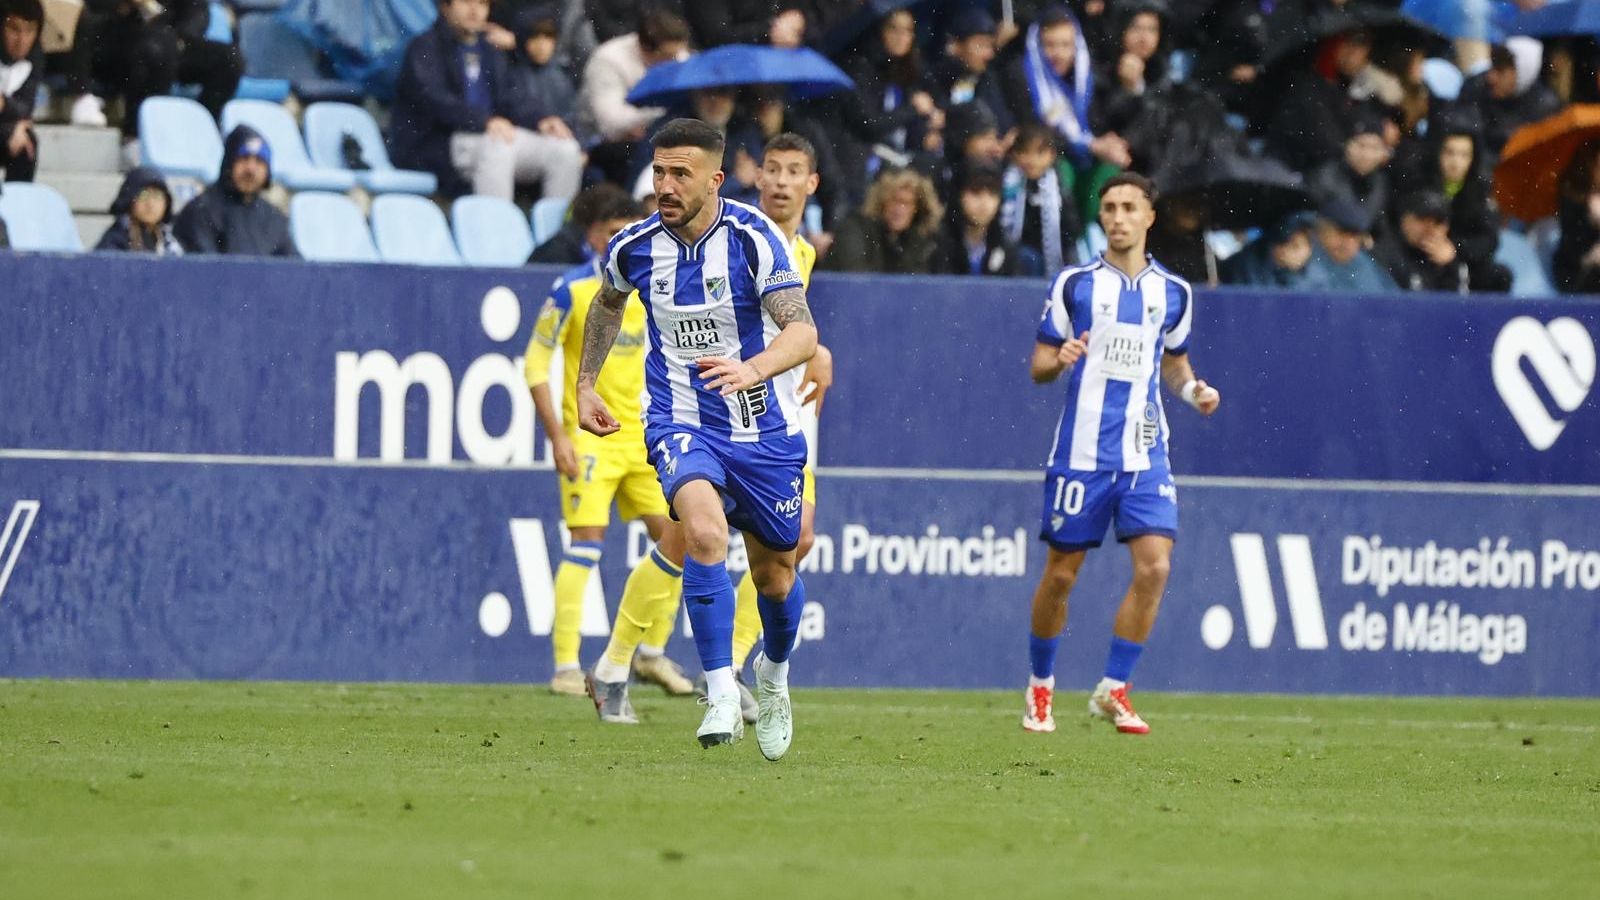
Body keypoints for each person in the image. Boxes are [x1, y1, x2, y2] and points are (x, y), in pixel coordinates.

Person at [576, 118, 817, 759]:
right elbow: (607, 303)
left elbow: (803, 334)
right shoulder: (634, 245)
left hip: (761, 426)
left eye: (681, 173)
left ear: (715, 179)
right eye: (658, 171)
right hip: (681, 421)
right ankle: (717, 692)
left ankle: (773, 676)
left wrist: (752, 368)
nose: (665, 185)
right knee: (703, 533)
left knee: (775, 577)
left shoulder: (754, 237)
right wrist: (586, 384)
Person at [1023, 171, 1220, 735]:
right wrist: (1059, 358)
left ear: (1149, 216)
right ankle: (1040, 687)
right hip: (1081, 453)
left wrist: (1194, 391)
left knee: (1155, 567)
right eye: (1109, 207)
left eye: (1129, 207)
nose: (1117, 217)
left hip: (1145, 454)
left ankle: (1114, 689)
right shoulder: (1075, 285)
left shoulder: (1174, 293)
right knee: (1061, 577)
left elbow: (1174, 365)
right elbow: (1037, 365)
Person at [523, 192, 696, 701]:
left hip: (646, 438)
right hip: (588, 436)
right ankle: (564, 667)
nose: (626, 238)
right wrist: (558, 434)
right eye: (616, 229)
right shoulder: (573, 290)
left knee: (682, 539)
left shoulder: (654, 288)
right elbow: (535, 363)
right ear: (595, 234)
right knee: (587, 544)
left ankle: (650, 654)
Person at [391, 0, 584, 203]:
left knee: (565, 150)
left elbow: (511, 98)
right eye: (466, 2)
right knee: (498, 146)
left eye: (482, 3)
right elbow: (434, 100)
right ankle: (496, 229)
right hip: (439, 143)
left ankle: (558, 232)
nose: (475, 10)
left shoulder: (489, 50)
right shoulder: (425, 46)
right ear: (445, 6)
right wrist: (484, 121)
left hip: (489, 137)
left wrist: (542, 119)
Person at [998, 7, 1128, 223]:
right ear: (1038, 44)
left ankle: (1090, 236)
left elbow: (1101, 121)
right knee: (1060, 172)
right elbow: (1033, 127)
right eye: (1050, 45)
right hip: (1053, 155)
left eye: (1066, 45)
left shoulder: (1088, 75)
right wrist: (1091, 145)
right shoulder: (1020, 74)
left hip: (1089, 155)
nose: (1058, 53)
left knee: (1111, 170)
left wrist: (1110, 143)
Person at [577, 8, 691, 184]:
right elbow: (611, 123)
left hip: (653, 136)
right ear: (645, 48)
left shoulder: (678, 56)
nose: (675, 61)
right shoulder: (608, 60)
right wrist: (658, 117)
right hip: (599, 143)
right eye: (669, 56)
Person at [173, 125, 297, 257]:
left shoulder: (273, 218)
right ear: (229, 163)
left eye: (259, 162)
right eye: (244, 159)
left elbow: (296, 267)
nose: (250, 169)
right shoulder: (201, 210)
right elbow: (206, 270)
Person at [1375, 190, 1510, 294]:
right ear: (1405, 220)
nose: (1430, 228)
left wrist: (1451, 265)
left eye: (1438, 222)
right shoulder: (1386, 253)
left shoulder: (1448, 258)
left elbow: (1457, 307)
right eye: (1422, 219)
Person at [824, 166, 943, 274]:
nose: (899, 210)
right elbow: (855, 277)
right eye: (894, 200)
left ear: (917, 208)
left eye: (907, 203)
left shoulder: (920, 240)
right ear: (881, 201)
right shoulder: (855, 228)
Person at [1001, 124, 1084, 277]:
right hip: (1021, 256)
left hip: (1057, 253)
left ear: (1052, 155)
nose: (1032, 160)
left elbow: (1071, 226)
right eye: (1025, 152)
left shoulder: (1058, 185)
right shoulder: (1009, 183)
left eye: (1039, 153)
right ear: (1015, 155)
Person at [1457, 43, 1561, 162]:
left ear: (1521, 73)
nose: (1491, 77)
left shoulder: (1545, 107)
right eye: (1492, 67)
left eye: (1500, 71)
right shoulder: (1477, 89)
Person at [1307, 114, 1393, 241]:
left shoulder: (1380, 184)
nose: (1367, 154)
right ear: (1347, 145)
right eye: (1361, 145)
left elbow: (1378, 228)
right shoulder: (1325, 176)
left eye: (1375, 148)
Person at [1303, 197, 1395, 293]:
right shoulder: (1302, 258)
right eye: (1342, 233)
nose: (1348, 242)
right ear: (1320, 231)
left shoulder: (1363, 263)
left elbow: (1393, 300)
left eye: (1355, 236)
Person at [939, 165, 1019, 276]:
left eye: (992, 194)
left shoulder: (1006, 247)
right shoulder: (939, 245)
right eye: (976, 192)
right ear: (959, 196)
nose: (984, 203)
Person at [529, 181, 632, 264]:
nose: (626, 240)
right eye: (615, 233)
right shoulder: (555, 257)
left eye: (632, 233)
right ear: (594, 231)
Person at [1219, 211, 1322, 289]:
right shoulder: (1246, 267)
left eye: (1296, 246)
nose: (1287, 251)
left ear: (1309, 249)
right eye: (1284, 243)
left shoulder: (1319, 276)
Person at [95, 166, 182, 254]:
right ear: (129, 200)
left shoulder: (170, 240)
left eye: (157, 195)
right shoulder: (115, 240)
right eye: (143, 195)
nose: (150, 204)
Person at [0, 0, 41, 184]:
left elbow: (26, 107)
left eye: (30, 30)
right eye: (14, 29)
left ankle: (17, 208)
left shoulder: (35, 58)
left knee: (27, 142)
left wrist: (4, 104)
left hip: (5, 130)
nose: (22, 40)